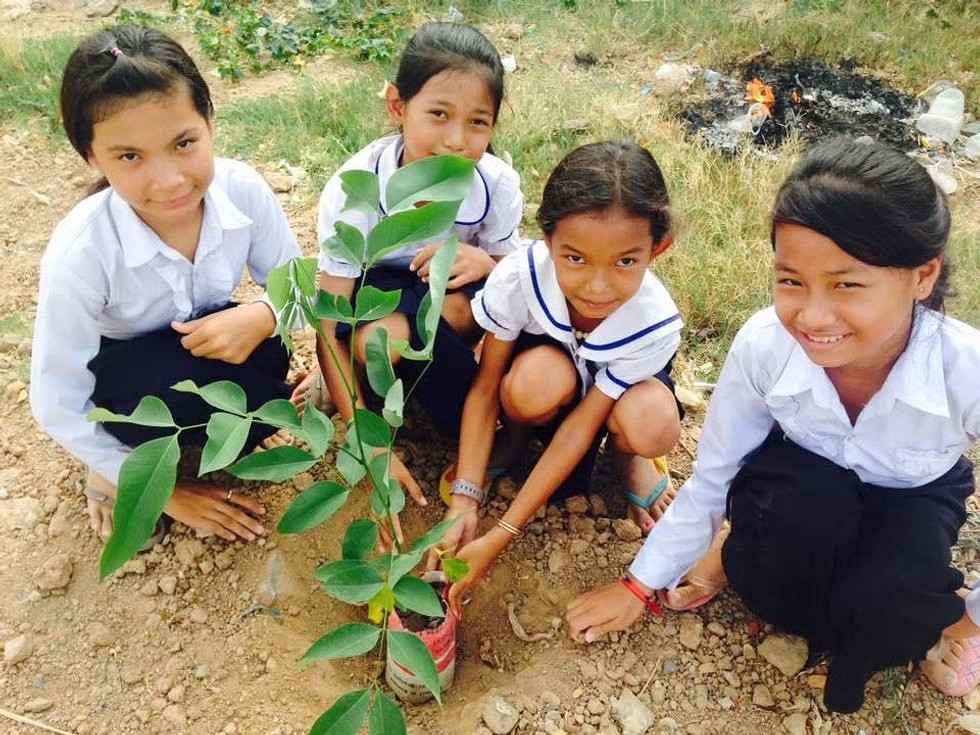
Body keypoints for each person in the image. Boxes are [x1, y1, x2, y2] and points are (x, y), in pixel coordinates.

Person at [566, 138, 980, 714]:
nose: (812, 316)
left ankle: (935, 622)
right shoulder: (766, 345)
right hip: (800, 485)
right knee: (768, 580)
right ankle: (729, 551)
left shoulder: (965, 368)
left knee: (888, 609)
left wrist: (969, 612)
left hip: (912, 494)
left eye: (847, 285)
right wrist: (640, 585)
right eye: (791, 281)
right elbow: (714, 477)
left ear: (922, 276)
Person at [30, 25, 302, 548]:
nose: (170, 180)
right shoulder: (81, 252)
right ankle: (112, 466)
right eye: (130, 157)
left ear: (209, 123)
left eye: (184, 144)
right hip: (128, 377)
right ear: (92, 158)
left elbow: (300, 287)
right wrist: (163, 493)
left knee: (268, 368)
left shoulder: (241, 187)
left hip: (213, 338)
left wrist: (265, 314)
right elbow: (58, 402)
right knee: (151, 407)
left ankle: (207, 427)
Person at [436, 141, 685, 614]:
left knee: (652, 420)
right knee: (531, 385)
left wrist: (501, 535)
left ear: (659, 248)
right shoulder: (519, 277)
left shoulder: (652, 321)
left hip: (609, 401)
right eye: (575, 258)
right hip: (548, 375)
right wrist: (464, 502)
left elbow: (581, 426)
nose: (597, 286)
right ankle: (516, 437)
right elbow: (487, 386)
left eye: (625, 262)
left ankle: (627, 457)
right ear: (547, 240)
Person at [297, 21, 523, 505]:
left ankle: (455, 409)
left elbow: (513, 274)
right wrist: (368, 441)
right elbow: (330, 311)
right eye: (438, 114)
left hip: (449, 290)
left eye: (478, 122)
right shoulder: (356, 189)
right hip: (376, 288)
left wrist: (483, 261)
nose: (457, 140)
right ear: (398, 106)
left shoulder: (495, 184)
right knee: (383, 341)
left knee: (457, 315)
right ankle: (350, 385)